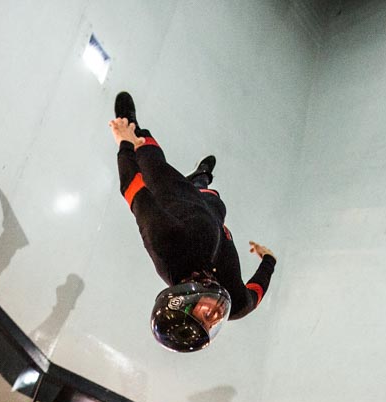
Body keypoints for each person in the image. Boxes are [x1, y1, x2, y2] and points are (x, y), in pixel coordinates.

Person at [109, 91, 276, 352]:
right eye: (212, 324)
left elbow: (133, 190)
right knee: (213, 200)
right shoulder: (237, 303)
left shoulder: (165, 244)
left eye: (204, 315)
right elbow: (256, 292)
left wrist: (125, 143)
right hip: (211, 217)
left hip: (174, 199)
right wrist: (269, 259)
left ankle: (132, 124)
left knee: (149, 161)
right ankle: (202, 176)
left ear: (184, 299)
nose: (216, 315)